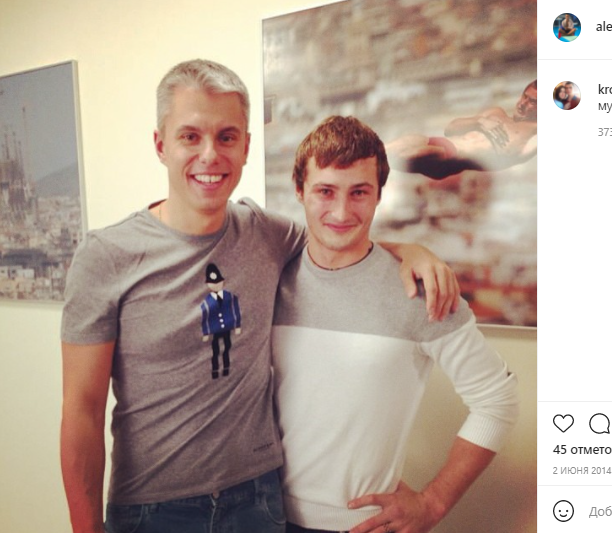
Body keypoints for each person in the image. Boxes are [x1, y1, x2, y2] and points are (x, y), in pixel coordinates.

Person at [60, 59, 458, 533]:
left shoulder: (265, 233)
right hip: (153, 510)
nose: (210, 155)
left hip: (259, 502)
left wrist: (410, 250)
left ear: (246, 147)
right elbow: (82, 411)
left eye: (227, 137)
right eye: (191, 136)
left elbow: (337, 234)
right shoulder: (106, 255)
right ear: (161, 145)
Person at [272, 116, 519, 533]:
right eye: (325, 191)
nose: (341, 211)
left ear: (378, 195)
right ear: (300, 190)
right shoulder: (272, 276)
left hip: (360, 526)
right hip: (257, 516)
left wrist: (433, 503)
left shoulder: (421, 288)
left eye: (359, 192)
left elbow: (498, 399)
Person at [386, 80, 537, 180]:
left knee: (403, 155)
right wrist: (479, 122)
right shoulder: (496, 113)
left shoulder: (533, 135)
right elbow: (450, 129)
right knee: (395, 145)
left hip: (450, 159)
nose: (522, 103)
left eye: (532, 102)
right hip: (442, 142)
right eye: (524, 96)